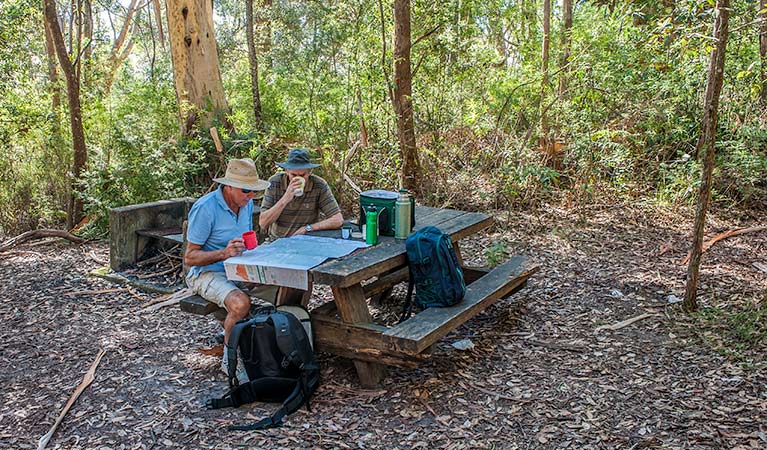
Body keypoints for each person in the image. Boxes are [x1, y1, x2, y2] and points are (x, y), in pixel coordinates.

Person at [184, 158, 272, 381]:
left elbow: (244, 239)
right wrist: (223, 253)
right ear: (229, 186)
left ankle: (276, 344)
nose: (250, 196)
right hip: (206, 272)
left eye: (254, 191)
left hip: (238, 266)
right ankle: (230, 360)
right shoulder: (206, 208)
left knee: (290, 285)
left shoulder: (246, 203)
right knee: (241, 303)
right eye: (245, 190)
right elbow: (190, 258)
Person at [259, 148, 344, 240]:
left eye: (303, 175)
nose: (298, 178)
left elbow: (337, 220)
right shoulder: (275, 183)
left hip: (306, 240)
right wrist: (285, 198)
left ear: (310, 172)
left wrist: (307, 228)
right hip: (277, 241)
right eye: (293, 175)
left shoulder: (318, 185)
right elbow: (263, 223)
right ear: (286, 171)